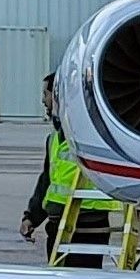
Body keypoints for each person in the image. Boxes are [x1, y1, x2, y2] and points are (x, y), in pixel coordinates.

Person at [19, 74, 118, 269]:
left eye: (46, 94)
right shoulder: (54, 139)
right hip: (57, 225)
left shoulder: (95, 136)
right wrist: (32, 217)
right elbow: (47, 180)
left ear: (58, 96)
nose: (43, 101)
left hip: (89, 225)